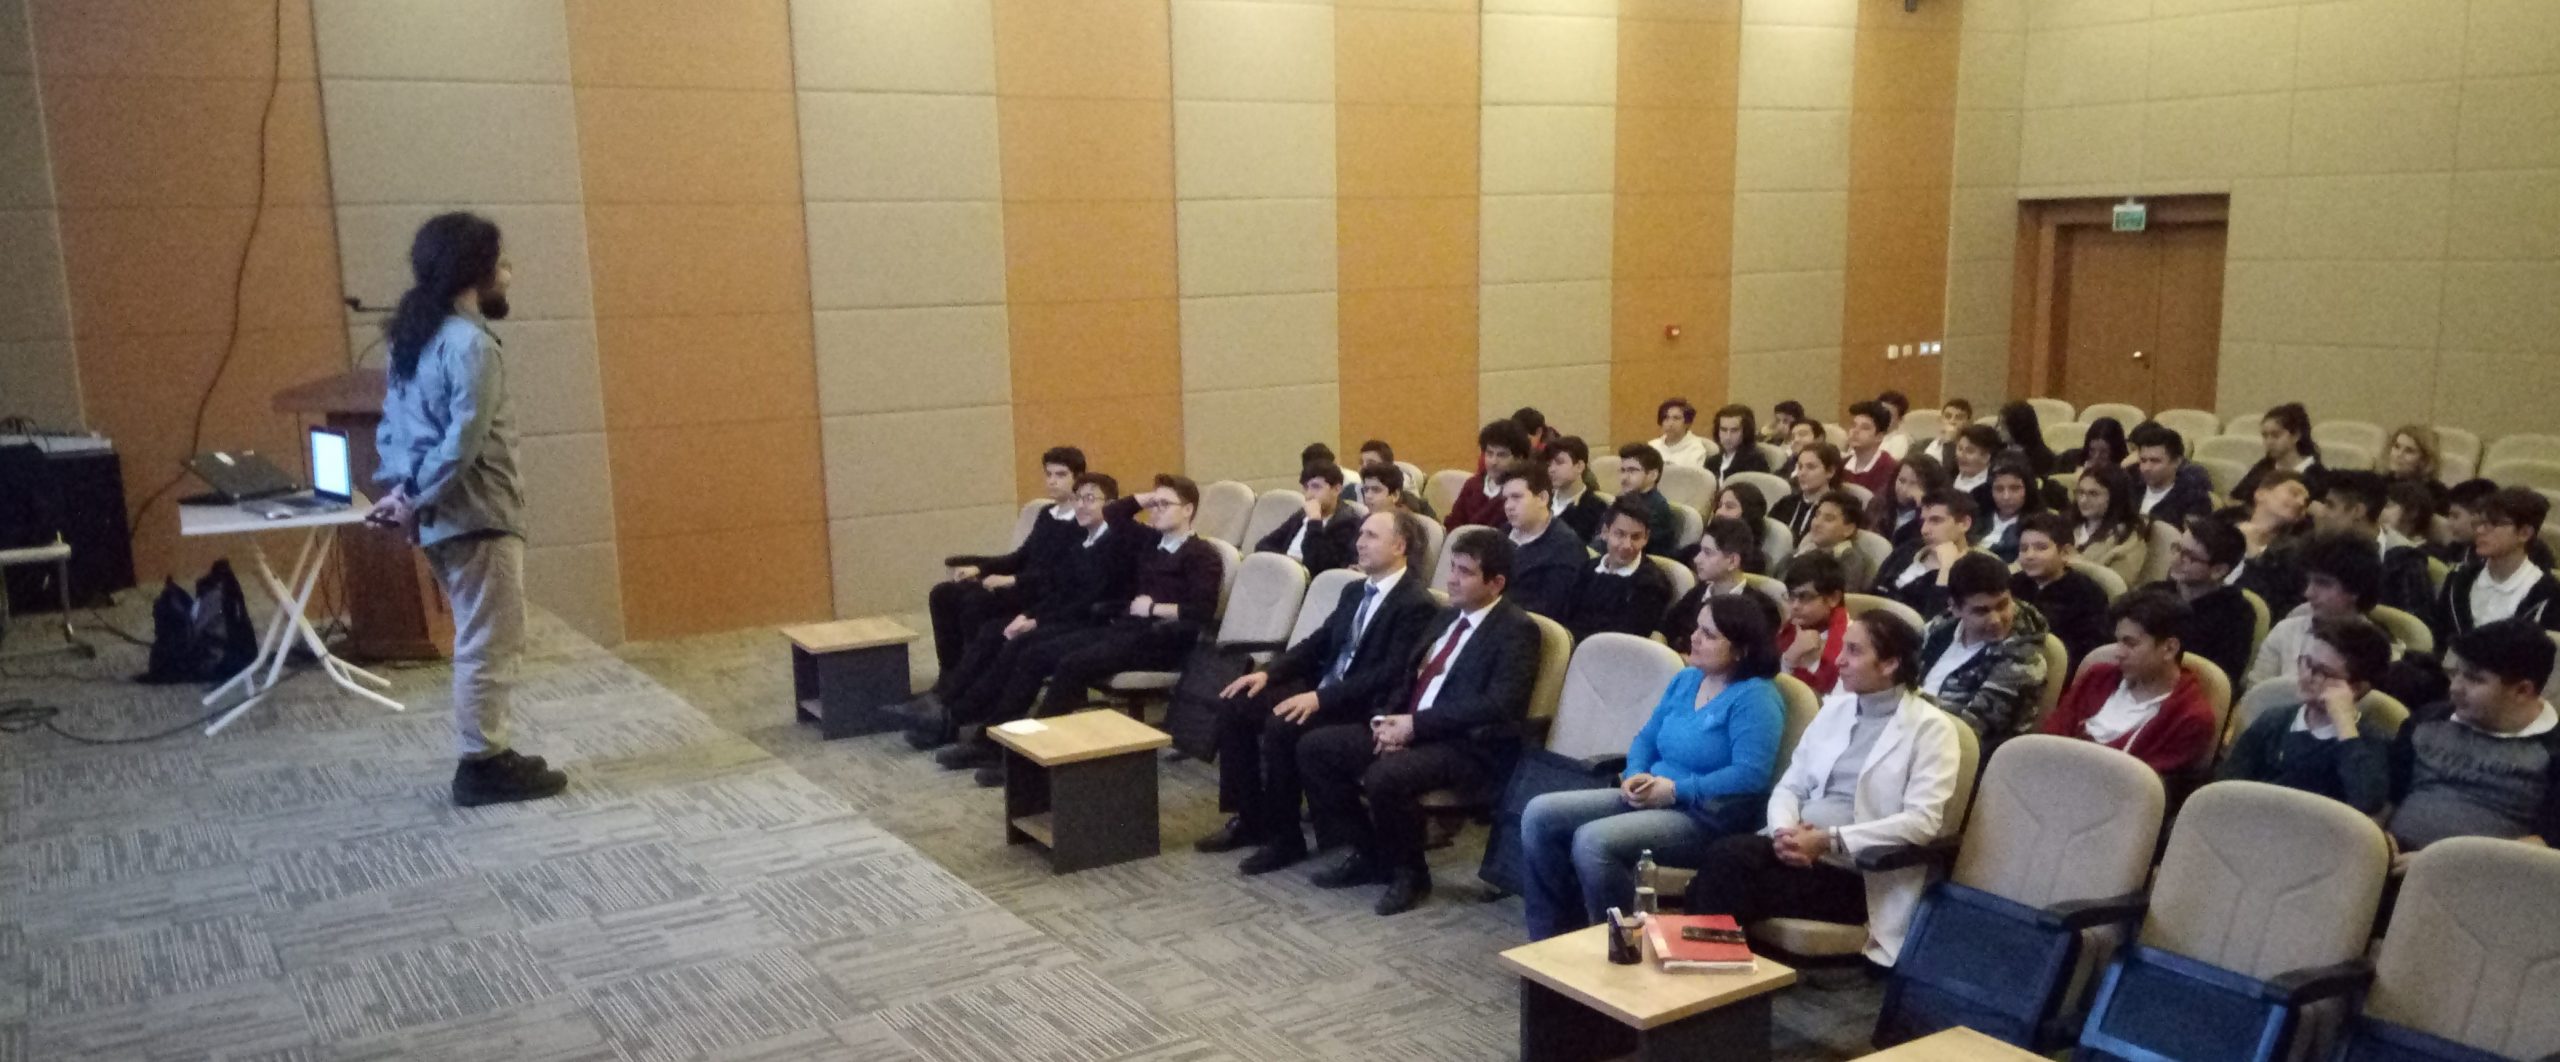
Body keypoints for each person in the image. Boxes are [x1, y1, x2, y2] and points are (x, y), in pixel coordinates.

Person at [372, 212, 567, 807]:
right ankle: (483, 763)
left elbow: (394, 431)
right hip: (478, 515)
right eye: (501, 261)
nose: (509, 271)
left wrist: (401, 492)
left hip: (442, 518)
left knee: (480, 635)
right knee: (490, 641)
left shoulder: (414, 340)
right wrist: (410, 497)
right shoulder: (471, 346)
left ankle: (490, 751)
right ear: (475, 270)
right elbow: (463, 444)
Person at [1683, 610, 1963, 967]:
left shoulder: (1931, 729)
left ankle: (1700, 972)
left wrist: (1829, 840)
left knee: (1725, 873)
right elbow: (1790, 785)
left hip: (1857, 874)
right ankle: (1706, 971)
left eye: (1854, 651)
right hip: (1798, 852)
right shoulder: (1836, 710)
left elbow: (1923, 822)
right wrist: (1785, 833)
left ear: (1890, 663)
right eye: (1842, 648)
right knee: (1724, 859)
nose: (1840, 660)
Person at [1297, 533, 1543, 915]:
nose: (1451, 579)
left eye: (1465, 572)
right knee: (1316, 748)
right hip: (1412, 725)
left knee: (1384, 776)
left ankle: (1411, 873)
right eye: (1452, 568)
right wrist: (1384, 721)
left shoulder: (1516, 630)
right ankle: (1370, 853)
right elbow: (1406, 676)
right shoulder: (1446, 615)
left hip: (1465, 745)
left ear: (1496, 583)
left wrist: (1415, 727)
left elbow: (1498, 705)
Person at [1521, 595, 1786, 938]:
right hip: (1652, 792)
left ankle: (1620, 943)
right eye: (1697, 628)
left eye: (1708, 634)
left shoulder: (1756, 697)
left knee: (1593, 842)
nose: (1694, 638)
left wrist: (1676, 790)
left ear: (1740, 649)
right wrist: (1634, 773)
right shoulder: (1687, 679)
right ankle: (1553, 936)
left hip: (1704, 815)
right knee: (1539, 814)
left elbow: (1751, 774)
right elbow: (1647, 737)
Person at [1204, 510, 1441, 860]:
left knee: (1283, 724)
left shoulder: (1416, 603)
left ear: (1400, 546)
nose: (1359, 542)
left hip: (1362, 702)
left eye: (1372, 536)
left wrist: (1319, 698)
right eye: (1360, 534)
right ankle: (1250, 819)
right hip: (1326, 688)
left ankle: (1285, 839)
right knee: (1238, 701)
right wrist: (1269, 673)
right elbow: (1320, 641)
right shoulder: (1355, 590)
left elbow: (1388, 674)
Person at [1015, 476, 1226, 784]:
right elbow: (1113, 514)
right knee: (1041, 651)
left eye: (1164, 504)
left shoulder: (1202, 554)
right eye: (1154, 504)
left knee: (1073, 664)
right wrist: (1146, 497)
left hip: (1162, 640)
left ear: (1188, 510)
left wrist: (1154, 608)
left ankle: (1038, 757)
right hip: (1127, 629)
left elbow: (1201, 611)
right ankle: (1018, 742)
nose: (1155, 510)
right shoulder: (1152, 542)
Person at [911, 473, 1136, 753]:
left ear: (1112, 505)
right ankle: (954, 710)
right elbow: (1057, 588)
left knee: (1026, 649)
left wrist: (1037, 620)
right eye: (1078, 498)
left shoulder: (1119, 542)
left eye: (1090, 499)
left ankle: (978, 729)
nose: (1081, 505)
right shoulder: (1082, 542)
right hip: (1063, 613)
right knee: (999, 632)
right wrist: (1029, 615)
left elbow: (1088, 600)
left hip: (1092, 621)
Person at [2386, 618, 2559, 865]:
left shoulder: (2552, 750)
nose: (2455, 688)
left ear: (2522, 690)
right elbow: (2385, 799)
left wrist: (2440, 864)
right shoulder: (2428, 720)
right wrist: (2378, 841)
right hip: (2390, 859)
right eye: (2455, 673)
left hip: (2483, 875)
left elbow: (2545, 843)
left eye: (2474, 679)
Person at [930, 445, 1086, 678]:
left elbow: (1062, 572)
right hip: (1022, 585)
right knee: (942, 593)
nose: (1052, 481)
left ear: (1078, 478)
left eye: (1061, 475)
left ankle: (973, 676)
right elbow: (1021, 556)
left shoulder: (1083, 520)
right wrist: (980, 568)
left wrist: (1012, 579)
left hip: (1043, 593)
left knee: (975, 601)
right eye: (1049, 474)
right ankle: (949, 673)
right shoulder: (1047, 514)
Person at [2219, 614, 2395, 815]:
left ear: (2356, 688)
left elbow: (2367, 800)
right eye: (2306, 662)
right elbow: (2227, 783)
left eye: (2322, 672)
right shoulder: (2275, 721)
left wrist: (2344, 722)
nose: (2306, 676)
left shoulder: (2370, 742)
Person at [2040, 590, 2217, 778]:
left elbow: (2144, 785)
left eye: (2130, 644)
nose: (2118, 653)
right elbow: (2050, 737)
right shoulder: (2097, 677)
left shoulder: (2189, 718)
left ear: (2169, 648)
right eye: (2118, 642)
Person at [1915, 552, 2051, 747]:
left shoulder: (2024, 659)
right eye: (1981, 611)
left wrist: (1907, 704)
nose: (1995, 620)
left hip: (1955, 749)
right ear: (1955, 608)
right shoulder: (1942, 627)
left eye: (2002, 605)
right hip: (1910, 729)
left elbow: (1971, 731)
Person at [2249, 530, 2389, 687]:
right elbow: (2255, 696)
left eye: (2323, 583)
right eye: (2309, 582)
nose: (2308, 593)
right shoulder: (2286, 632)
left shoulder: (2373, 652)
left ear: (2355, 590)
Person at [2147, 515, 2258, 686]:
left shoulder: (2237, 615)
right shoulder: (2154, 593)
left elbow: (2218, 680)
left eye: (2189, 557)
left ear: (2218, 570)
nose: (2176, 559)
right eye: (2177, 548)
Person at [2436, 486, 2560, 637]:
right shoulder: (2459, 579)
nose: (2480, 531)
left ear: (2524, 533)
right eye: (2479, 523)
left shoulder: (2547, 595)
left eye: (2493, 524)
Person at [1565, 498, 1676, 642]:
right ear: (1605, 532)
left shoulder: (1652, 585)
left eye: (1635, 537)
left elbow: (1624, 639)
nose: (1626, 545)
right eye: (1620, 534)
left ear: (1646, 538)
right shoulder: (1588, 568)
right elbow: (1565, 616)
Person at [2012, 513, 2111, 666]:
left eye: (2041, 548)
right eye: (2023, 549)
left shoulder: (2087, 594)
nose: (2029, 555)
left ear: (2065, 552)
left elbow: (2088, 651)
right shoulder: (2013, 584)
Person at [1500, 464, 1588, 622]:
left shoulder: (1566, 548)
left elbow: (1549, 610)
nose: (1508, 506)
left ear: (1542, 498)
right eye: (1506, 499)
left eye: (1517, 497)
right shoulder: (1502, 533)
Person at [1873, 488, 1977, 620]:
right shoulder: (1909, 548)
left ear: (1964, 524)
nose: (1924, 530)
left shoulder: (1972, 570)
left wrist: (1946, 570)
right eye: (1923, 521)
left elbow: (1937, 621)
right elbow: (1874, 589)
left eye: (1936, 521)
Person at [1661, 516, 1761, 650]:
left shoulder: (1757, 609)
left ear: (1732, 561)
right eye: (1700, 550)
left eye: (1707, 553)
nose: (1697, 559)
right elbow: (1665, 628)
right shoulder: (1699, 591)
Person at [1256, 461, 1361, 572]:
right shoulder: (1302, 515)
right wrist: (1288, 562)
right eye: (1306, 488)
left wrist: (1314, 521)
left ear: (1336, 489)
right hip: (1283, 572)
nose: (1309, 495)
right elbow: (1263, 545)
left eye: (1316, 487)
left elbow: (1317, 565)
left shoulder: (1348, 522)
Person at [1778, 551, 1853, 693]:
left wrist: (1811, 664)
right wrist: (1788, 659)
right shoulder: (1787, 629)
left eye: (1805, 597)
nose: (1795, 605)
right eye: (1791, 596)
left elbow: (1836, 701)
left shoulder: (1851, 644)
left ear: (1834, 598)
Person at [1782, 488, 1875, 594]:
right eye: (1817, 515)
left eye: (1828, 519)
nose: (1817, 523)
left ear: (1849, 529)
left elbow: (1840, 597)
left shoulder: (1852, 561)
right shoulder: (1807, 550)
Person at [2071, 464, 2150, 588]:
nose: (2083, 500)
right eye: (2080, 492)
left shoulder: (2129, 539)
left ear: (2115, 497)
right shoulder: (2067, 524)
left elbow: (2119, 586)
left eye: (2093, 494)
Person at [2233, 402, 2327, 502]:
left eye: (2276, 435)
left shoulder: (2316, 476)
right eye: (2265, 436)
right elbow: (2234, 498)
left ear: (2296, 436)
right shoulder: (2263, 466)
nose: (2269, 442)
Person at [2128, 421, 2216, 527]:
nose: (2146, 468)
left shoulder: (2194, 496)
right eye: (2143, 460)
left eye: (2155, 461)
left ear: (2176, 462)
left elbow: (2194, 535)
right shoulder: (2130, 484)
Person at [1448, 419, 1530, 531]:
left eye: (1502, 455)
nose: (1493, 461)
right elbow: (1453, 523)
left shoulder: (1524, 492)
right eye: (1489, 453)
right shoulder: (1472, 485)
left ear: (1520, 458)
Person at [1616, 443, 1682, 557]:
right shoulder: (1624, 499)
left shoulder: (1656, 508)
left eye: (1632, 471)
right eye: (1623, 470)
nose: (1624, 477)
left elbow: (1634, 548)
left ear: (1653, 475)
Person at [1871, 453, 1947, 549]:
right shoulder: (1880, 503)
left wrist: (1922, 506)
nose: (1904, 489)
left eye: (1914, 484)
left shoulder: (1936, 514)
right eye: (1901, 481)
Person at [1773, 442, 1842, 545]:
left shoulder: (1836, 510)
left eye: (1811, 467)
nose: (1802, 473)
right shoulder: (1786, 502)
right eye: (1800, 467)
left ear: (1830, 472)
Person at [1545, 436, 1611, 542]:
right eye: (1549, 464)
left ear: (1579, 466)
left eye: (1559, 463)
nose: (1551, 469)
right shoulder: (1541, 502)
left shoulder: (1597, 508)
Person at [1979, 458, 2044, 563]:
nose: (2006, 497)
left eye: (2015, 488)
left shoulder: (2038, 525)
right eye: (1999, 489)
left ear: (2028, 490)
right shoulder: (1976, 518)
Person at [1357, 440, 1435, 518]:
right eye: (1361, 463)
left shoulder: (1413, 505)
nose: (1363, 467)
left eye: (1371, 463)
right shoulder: (1354, 490)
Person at [1840, 401, 1901, 500]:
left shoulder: (1890, 469)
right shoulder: (1841, 465)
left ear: (1879, 437)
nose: (1855, 431)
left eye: (1865, 428)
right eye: (1853, 425)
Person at [2383, 424, 2449, 512]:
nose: (2399, 454)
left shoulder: (2437, 496)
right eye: (2397, 446)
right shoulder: (2381, 483)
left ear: (2424, 460)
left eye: (2409, 451)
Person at [1996, 400, 2058, 479]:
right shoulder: (1996, 451)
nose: (1998, 429)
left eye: (2003, 425)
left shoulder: (2042, 459)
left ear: (2018, 427)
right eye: (1999, 424)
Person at [1710, 404, 1771, 478]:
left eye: (1734, 430)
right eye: (1723, 430)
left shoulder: (1755, 462)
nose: (1727, 437)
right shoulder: (1711, 462)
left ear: (1746, 432)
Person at [1950, 423, 2002, 508]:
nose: (1962, 455)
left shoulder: (1989, 490)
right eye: (1960, 448)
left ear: (1986, 457)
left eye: (1970, 451)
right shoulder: (1949, 475)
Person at [1650, 397, 1709, 469]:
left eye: (1676, 418)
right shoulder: (1652, 446)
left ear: (1688, 423)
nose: (1670, 423)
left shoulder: (1696, 449)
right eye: (1666, 418)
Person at [2062, 417, 2129, 479]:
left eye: (2104, 452)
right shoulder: (2070, 459)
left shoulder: (2126, 470)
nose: (2096, 456)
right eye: (2092, 450)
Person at [1915, 398, 1970, 466]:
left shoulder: (1967, 451)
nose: (1952, 421)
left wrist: (1949, 442)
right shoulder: (1922, 444)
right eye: (1948, 416)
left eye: (1959, 418)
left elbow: (1950, 471)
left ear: (1968, 423)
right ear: (1940, 420)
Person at [1875, 390, 1913, 460]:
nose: (1883, 418)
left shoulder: (1899, 440)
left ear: (1900, 420)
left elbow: (1891, 464)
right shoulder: (1868, 435)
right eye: (1880, 413)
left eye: (1889, 416)